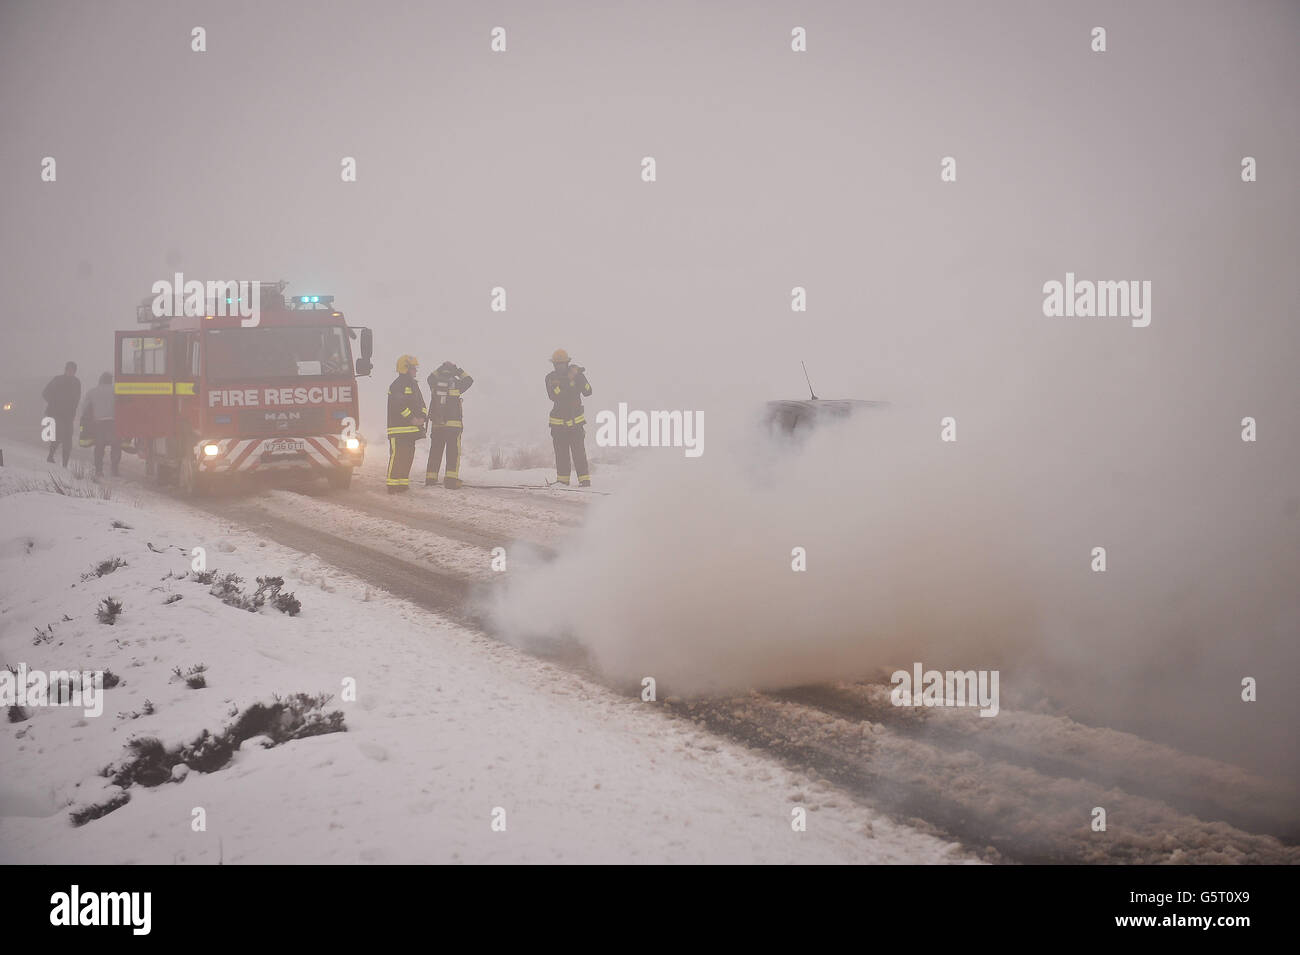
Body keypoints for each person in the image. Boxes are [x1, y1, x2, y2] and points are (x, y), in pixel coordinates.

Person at [545, 348, 592, 487]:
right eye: (557, 364)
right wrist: (569, 379)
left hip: (576, 424)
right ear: (554, 365)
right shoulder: (551, 378)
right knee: (562, 455)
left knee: (579, 454)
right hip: (558, 426)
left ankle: (584, 480)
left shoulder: (576, 376)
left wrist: (580, 377)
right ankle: (563, 481)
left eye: (562, 364)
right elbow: (555, 395)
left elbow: (588, 391)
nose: (560, 366)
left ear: (567, 363)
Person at [425, 361, 474, 489]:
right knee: (453, 452)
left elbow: (429, 377)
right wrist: (457, 370)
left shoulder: (434, 383)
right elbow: (469, 380)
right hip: (453, 425)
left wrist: (440, 367)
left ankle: (431, 478)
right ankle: (451, 480)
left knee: (435, 451)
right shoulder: (456, 384)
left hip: (437, 424)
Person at [386, 355, 427, 493]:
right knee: (397, 456)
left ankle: (402, 483)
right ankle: (392, 484)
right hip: (398, 429)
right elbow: (399, 406)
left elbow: (422, 404)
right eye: (413, 368)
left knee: (408, 456)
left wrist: (422, 417)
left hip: (411, 430)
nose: (415, 371)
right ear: (405, 368)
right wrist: (412, 418)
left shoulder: (414, 385)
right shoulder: (396, 385)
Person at [78, 372, 120, 477]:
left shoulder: (92, 392)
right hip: (113, 422)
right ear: (110, 380)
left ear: (100, 380)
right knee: (115, 445)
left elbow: (84, 409)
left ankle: (99, 470)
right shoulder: (117, 391)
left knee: (99, 447)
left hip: (98, 423)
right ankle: (114, 468)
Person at [42, 361, 81, 466]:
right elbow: (45, 393)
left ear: (75, 371)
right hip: (56, 413)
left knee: (68, 438)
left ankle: (64, 464)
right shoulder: (57, 380)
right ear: (66, 369)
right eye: (69, 369)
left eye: (73, 370)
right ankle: (51, 456)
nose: (71, 372)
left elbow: (77, 399)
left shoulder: (77, 382)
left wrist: (73, 410)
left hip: (68, 415)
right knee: (58, 435)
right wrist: (54, 403)